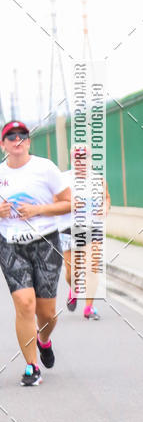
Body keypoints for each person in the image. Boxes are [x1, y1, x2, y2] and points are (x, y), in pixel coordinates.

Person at [0, 121, 71, 386]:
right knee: (25, 303)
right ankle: (32, 366)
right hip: (10, 243)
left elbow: (69, 203)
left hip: (45, 242)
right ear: (3, 144)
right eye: (11, 136)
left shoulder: (45, 168)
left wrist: (38, 210)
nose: (17, 140)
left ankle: (44, 340)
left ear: (29, 142)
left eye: (22, 136)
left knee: (47, 313)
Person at [58, 146, 110, 319]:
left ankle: (89, 308)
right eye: (77, 158)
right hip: (68, 228)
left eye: (84, 157)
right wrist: (69, 205)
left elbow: (106, 197)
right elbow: (53, 201)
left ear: (90, 160)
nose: (81, 161)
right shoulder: (63, 180)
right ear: (72, 160)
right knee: (71, 271)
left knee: (92, 267)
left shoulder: (98, 180)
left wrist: (105, 207)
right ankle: (74, 289)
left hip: (92, 228)